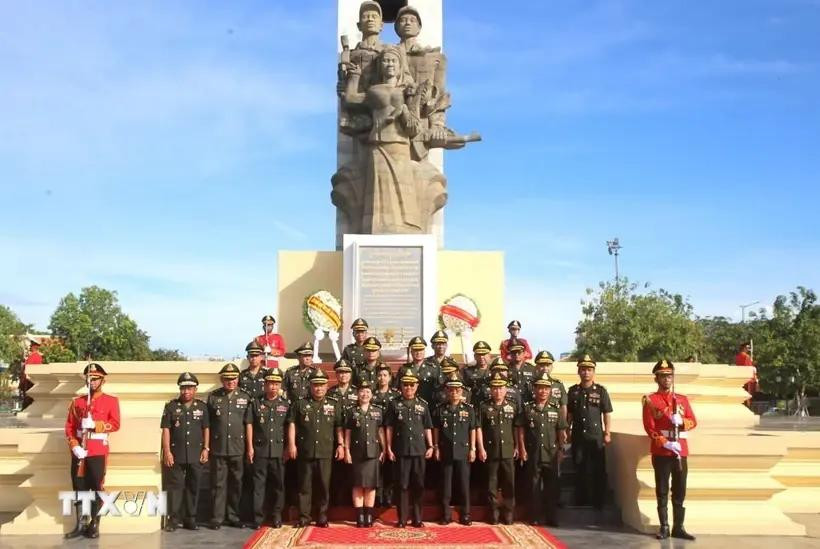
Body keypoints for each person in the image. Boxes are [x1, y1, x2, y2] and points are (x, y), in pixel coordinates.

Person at [63, 363, 121, 539]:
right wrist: (74, 445)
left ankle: (95, 523)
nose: (92, 382)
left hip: (97, 450)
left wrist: (96, 425)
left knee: (97, 487)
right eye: (89, 378)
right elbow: (70, 426)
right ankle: (81, 523)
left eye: (95, 379)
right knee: (79, 487)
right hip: (80, 451)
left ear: (102, 380)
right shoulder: (77, 402)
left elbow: (116, 424)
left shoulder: (111, 401)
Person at [642, 360, 697, 540]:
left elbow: (693, 421)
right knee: (663, 489)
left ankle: (678, 527)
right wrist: (665, 443)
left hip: (680, 450)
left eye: (670, 375)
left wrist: (681, 422)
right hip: (662, 451)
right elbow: (650, 427)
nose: (667, 379)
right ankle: (664, 526)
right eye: (663, 376)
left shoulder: (681, 399)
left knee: (680, 489)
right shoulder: (651, 400)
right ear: (656, 378)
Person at [287, 369, 344, 527]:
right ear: (310, 386)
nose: (319, 388)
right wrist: (291, 444)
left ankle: (322, 517)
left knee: (324, 486)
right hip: (305, 450)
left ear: (327, 386)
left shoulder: (333, 404)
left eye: (322, 385)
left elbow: (338, 426)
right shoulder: (300, 403)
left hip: (325, 451)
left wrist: (341, 445)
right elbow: (292, 424)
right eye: (315, 385)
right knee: (304, 486)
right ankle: (304, 517)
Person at [517, 371, 568, 526]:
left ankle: (551, 517)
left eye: (546, 388)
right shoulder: (528, 408)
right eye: (540, 388)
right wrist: (522, 449)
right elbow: (520, 430)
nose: (543, 391)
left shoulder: (555, 409)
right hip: (533, 453)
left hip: (551, 454)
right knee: (533, 487)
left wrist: (561, 450)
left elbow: (561, 432)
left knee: (551, 487)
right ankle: (534, 517)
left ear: (550, 390)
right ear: (534, 389)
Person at [384, 369, 434, 528]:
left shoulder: (423, 405)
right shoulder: (394, 404)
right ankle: (402, 518)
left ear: (417, 386)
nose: (409, 388)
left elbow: (427, 427)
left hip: (419, 450)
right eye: (405, 385)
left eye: (412, 385)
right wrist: (389, 448)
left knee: (418, 484)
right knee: (402, 485)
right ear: (401, 386)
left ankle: (418, 518)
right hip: (401, 450)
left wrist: (431, 445)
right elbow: (389, 427)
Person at [206, 363, 253, 530]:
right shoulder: (213, 397)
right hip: (218, 447)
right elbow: (208, 424)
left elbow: (248, 424)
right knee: (218, 484)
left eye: (233, 378)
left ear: (238, 379)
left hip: (238, 448)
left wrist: (250, 447)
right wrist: (206, 447)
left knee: (236, 483)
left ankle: (233, 516)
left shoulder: (246, 397)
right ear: (221, 380)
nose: (230, 382)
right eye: (227, 379)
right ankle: (217, 517)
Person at [161, 372, 209, 532]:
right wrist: (167, 451)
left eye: (189, 388)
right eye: (183, 388)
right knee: (175, 487)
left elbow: (206, 429)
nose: (186, 392)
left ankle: (191, 519)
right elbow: (166, 430)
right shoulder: (171, 406)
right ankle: (173, 519)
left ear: (195, 389)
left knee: (193, 486)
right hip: (177, 453)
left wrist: (206, 448)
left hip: (196, 453)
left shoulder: (202, 407)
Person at [567, 355, 612, 510]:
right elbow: (570, 414)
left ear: (593, 372)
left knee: (598, 468)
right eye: (583, 369)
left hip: (596, 436)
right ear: (579, 371)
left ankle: (599, 500)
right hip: (579, 435)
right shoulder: (573, 391)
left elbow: (606, 413)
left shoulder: (600, 391)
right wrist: (567, 430)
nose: (586, 372)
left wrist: (607, 433)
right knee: (579, 467)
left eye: (589, 370)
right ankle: (581, 499)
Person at [432, 374, 476, 526]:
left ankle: (465, 515)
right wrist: (436, 446)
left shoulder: (469, 410)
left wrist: (473, 448)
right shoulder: (440, 409)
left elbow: (473, 430)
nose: (454, 393)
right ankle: (445, 515)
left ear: (462, 392)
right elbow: (436, 429)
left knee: (464, 485)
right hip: (446, 451)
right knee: (446, 486)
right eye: (451, 390)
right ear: (447, 392)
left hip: (463, 451)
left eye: (457, 390)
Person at [476, 371, 519, 525]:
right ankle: (493, 512)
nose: (498, 391)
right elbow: (479, 428)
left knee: (509, 483)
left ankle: (508, 512)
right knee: (491, 483)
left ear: (506, 389)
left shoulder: (513, 406)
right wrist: (480, 448)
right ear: (490, 389)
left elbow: (517, 427)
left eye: (501, 388)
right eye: (494, 388)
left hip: (508, 450)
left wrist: (518, 446)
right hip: (491, 450)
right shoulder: (483, 406)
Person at [249, 368, 289, 529]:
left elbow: (289, 427)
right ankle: (258, 518)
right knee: (259, 486)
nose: (273, 386)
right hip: (260, 450)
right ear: (264, 385)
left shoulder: (285, 404)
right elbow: (249, 425)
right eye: (270, 383)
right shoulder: (256, 403)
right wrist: (250, 447)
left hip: (279, 451)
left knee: (278, 485)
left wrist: (288, 447)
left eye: (276, 383)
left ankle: (276, 516)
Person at [344, 380, 386, 527]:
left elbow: (381, 431)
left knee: (370, 485)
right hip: (356, 453)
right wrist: (346, 450)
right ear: (357, 394)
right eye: (362, 391)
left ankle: (369, 515)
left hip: (373, 452)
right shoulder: (351, 411)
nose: (365, 394)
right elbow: (347, 433)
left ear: (372, 394)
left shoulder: (378, 411)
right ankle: (359, 516)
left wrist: (384, 449)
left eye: (368, 391)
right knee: (357, 485)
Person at [328, 359, 358, 506]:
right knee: (336, 471)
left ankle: (351, 500)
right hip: (335, 437)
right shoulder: (330, 392)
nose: (343, 375)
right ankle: (337, 500)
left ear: (350, 374)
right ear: (336, 374)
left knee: (352, 470)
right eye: (340, 372)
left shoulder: (357, 392)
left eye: (346, 372)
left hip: (354, 437)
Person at [372, 363, 399, 507]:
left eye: (385, 375)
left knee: (391, 467)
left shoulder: (396, 395)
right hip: (374, 434)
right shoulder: (371, 394)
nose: (382, 378)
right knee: (377, 467)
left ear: (389, 378)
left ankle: (389, 495)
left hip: (392, 434)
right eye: (379, 375)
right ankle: (378, 495)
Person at [508, 339, 537, 403]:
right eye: (514, 352)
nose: (516, 355)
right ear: (510, 354)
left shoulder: (532, 369)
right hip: (511, 404)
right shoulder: (505, 369)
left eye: (519, 352)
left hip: (528, 403)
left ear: (524, 353)